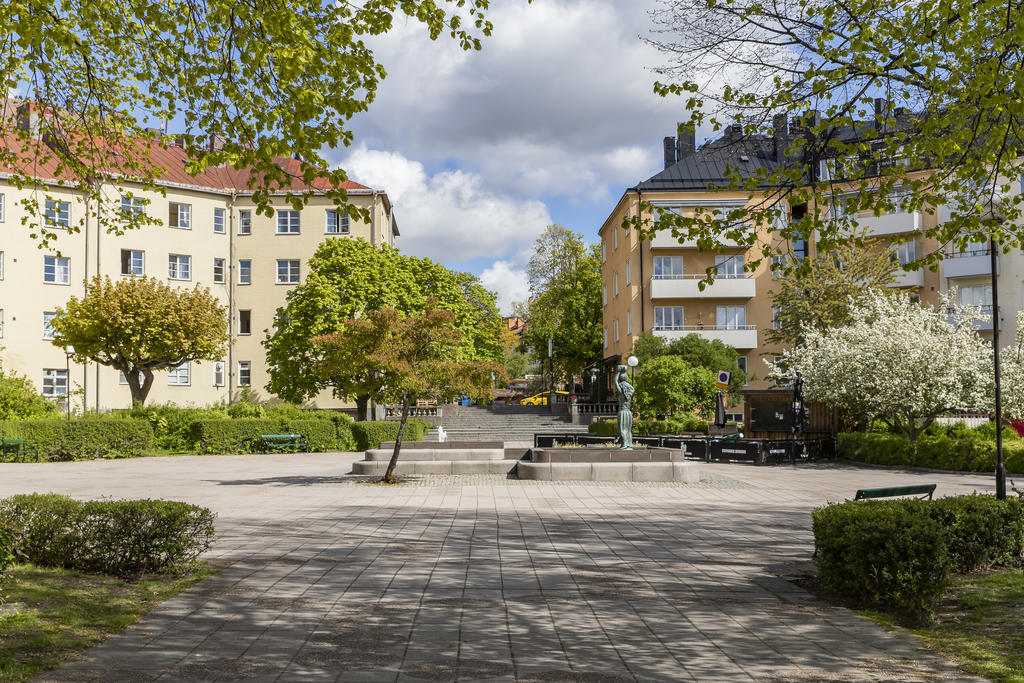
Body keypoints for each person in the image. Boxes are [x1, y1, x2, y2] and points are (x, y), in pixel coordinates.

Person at [615, 364, 634, 450]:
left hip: (623, 412)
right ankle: (629, 444)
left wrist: (619, 372)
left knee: (622, 429)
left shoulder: (621, 391)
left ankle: (625, 444)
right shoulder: (631, 390)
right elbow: (631, 387)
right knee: (628, 430)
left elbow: (615, 381)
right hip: (629, 413)